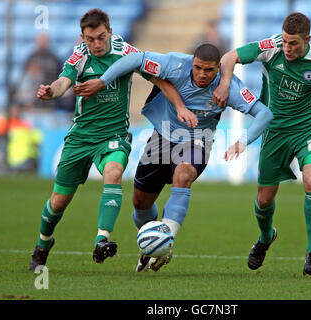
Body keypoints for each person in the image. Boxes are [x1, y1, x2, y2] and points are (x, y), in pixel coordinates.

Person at [74, 43, 274, 272]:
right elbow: (136, 59)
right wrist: (102, 81)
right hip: (162, 137)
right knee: (140, 203)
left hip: (198, 140)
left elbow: (264, 113)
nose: (202, 74)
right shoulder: (175, 64)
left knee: (183, 174)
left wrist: (243, 141)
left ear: (218, 68)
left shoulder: (229, 87)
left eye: (209, 70)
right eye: (198, 67)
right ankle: (155, 247)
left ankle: (165, 242)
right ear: (192, 63)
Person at [28, 9, 194, 271]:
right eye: (90, 39)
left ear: (110, 33)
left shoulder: (127, 53)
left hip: (114, 134)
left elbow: (158, 78)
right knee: (59, 201)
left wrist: (180, 107)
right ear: (82, 38)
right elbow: (63, 82)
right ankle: (43, 243)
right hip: (81, 136)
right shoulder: (80, 56)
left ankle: (101, 240)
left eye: (101, 38)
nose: (96, 44)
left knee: (114, 171)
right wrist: (50, 92)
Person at [213, 12, 311, 276]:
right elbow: (228, 57)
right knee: (264, 199)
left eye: (293, 43)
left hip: (308, 128)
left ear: (307, 39)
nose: (287, 48)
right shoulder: (271, 47)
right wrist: (225, 82)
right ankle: (266, 238)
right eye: (285, 41)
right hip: (274, 131)